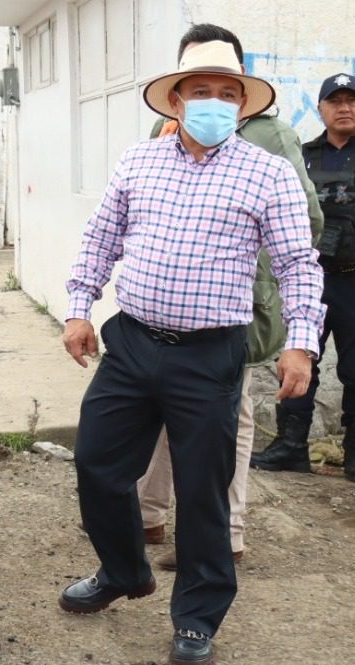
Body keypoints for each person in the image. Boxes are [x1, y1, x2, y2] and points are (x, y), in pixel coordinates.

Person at [59, 40, 323, 665]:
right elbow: (102, 237)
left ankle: (198, 617)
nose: (215, 103)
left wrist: (301, 345)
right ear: (176, 101)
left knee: (204, 492)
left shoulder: (269, 172)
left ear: (242, 106)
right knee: (97, 465)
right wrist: (77, 307)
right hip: (131, 342)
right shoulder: (139, 161)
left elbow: (297, 264)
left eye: (228, 94)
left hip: (209, 357)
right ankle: (123, 572)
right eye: (201, 91)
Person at [135, 24, 325, 572]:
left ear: (242, 83)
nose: (211, 98)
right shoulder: (162, 128)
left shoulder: (272, 136)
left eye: (225, 83)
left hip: (236, 303)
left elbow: (305, 222)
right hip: (167, 306)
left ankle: (227, 533)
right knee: (166, 410)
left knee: (228, 416)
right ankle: (149, 513)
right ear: (178, 85)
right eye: (197, 83)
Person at [250, 72, 355, 483]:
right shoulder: (303, 155)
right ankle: (290, 448)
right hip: (309, 278)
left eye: (351, 100)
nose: (344, 107)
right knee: (296, 360)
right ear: (321, 109)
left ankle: (352, 457)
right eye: (336, 101)